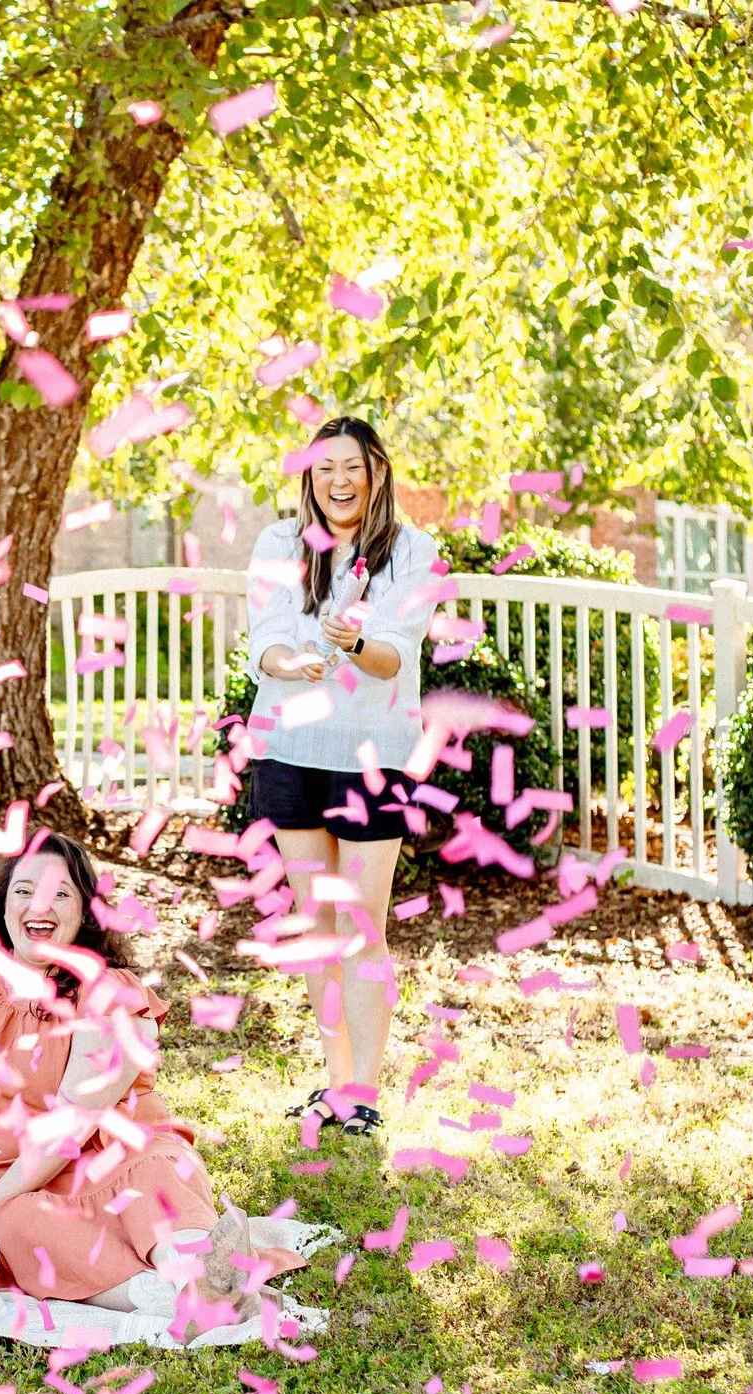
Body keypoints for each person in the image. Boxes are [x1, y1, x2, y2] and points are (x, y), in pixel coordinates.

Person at [0, 833, 303, 1310]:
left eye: (60, 894)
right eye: (25, 890)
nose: (40, 906)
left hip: (117, 1162)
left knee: (155, 1178)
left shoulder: (110, 995)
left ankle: (201, 1272)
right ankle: (170, 1302)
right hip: (3, 1186)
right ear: (4, 904)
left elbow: (71, 1123)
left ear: (85, 913)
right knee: (13, 1223)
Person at [244, 415, 445, 1137]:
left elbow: (396, 653)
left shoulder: (413, 552)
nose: (338, 481)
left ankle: (364, 1092)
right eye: (325, 467)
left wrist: (356, 642)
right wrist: (287, 663)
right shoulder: (278, 543)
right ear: (309, 473)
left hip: (374, 753)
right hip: (291, 748)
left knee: (362, 926)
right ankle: (335, 1085)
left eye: (353, 467)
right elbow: (263, 637)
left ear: (377, 473)